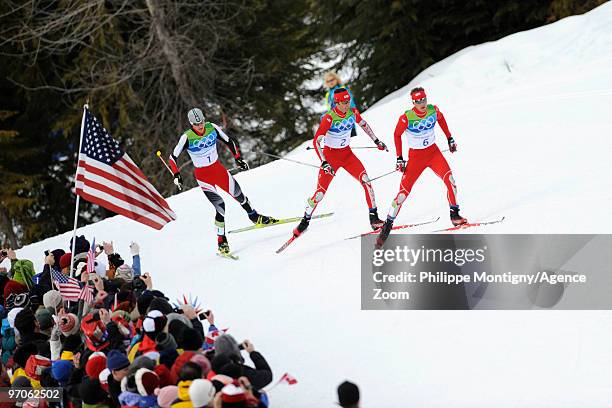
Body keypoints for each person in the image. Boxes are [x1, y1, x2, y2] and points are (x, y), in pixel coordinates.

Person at [169, 108, 277, 255]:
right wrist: (176, 174)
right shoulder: (186, 137)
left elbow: (229, 141)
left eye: (201, 122)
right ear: (191, 124)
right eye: (196, 124)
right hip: (203, 176)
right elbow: (172, 158)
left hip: (218, 170)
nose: (200, 126)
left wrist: (238, 158)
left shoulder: (212, 127)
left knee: (239, 195)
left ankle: (255, 217)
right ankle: (222, 241)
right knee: (220, 206)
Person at [377, 87, 468, 246]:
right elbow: (396, 134)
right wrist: (399, 158)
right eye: (418, 101)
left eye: (424, 99)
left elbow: (441, 119)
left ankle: (455, 215)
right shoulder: (407, 117)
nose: (422, 103)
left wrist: (450, 138)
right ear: (413, 102)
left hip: (434, 154)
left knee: (451, 181)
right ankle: (388, 224)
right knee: (403, 194)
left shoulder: (433, 110)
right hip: (416, 158)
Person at [293, 88, 388, 237]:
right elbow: (316, 141)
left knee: (367, 182)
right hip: (331, 158)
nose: (346, 105)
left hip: (347, 155)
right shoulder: (329, 118)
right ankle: (305, 220)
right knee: (319, 194)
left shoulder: (352, 113)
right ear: (336, 103)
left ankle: (374, 219)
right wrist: (324, 162)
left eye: (348, 101)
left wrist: (377, 141)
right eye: (343, 102)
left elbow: (364, 124)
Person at [323, 71, 358, 138]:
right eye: (328, 81)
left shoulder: (343, 89)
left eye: (332, 80)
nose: (330, 82)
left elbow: (351, 103)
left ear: (336, 79)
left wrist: (353, 113)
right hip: (336, 123)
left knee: (351, 140)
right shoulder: (328, 94)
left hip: (347, 120)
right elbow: (329, 108)